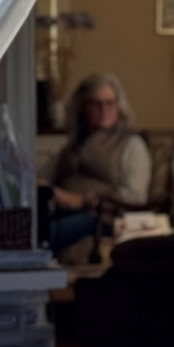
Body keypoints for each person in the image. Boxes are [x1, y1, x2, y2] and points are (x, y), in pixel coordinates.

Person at [47, 73, 152, 253]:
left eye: (110, 103)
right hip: (66, 210)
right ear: (83, 107)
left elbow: (135, 198)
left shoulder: (131, 144)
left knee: (51, 232)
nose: (104, 110)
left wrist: (85, 201)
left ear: (119, 106)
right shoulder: (74, 144)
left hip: (105, 218)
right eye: (96, 104)